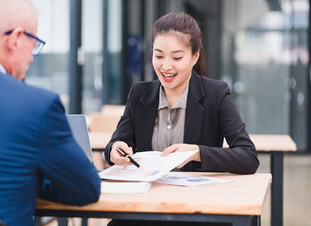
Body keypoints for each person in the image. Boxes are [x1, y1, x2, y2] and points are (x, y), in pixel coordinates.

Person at [0, 0, 100, 225]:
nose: (32, 56)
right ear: (15, 39)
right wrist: (28, 175)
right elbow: (85, 189)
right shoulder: (36, 106)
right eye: (34, 43)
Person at [104, 12, 259, 226]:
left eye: (177, 58)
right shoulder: (139, 93)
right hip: (145, 207)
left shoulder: (216, 94)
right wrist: (116, 148)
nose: (166, 66)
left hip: (195, 212)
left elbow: (248, 157)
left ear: (195, 56)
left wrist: (197, 152)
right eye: (158, 56)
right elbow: (117, 143)